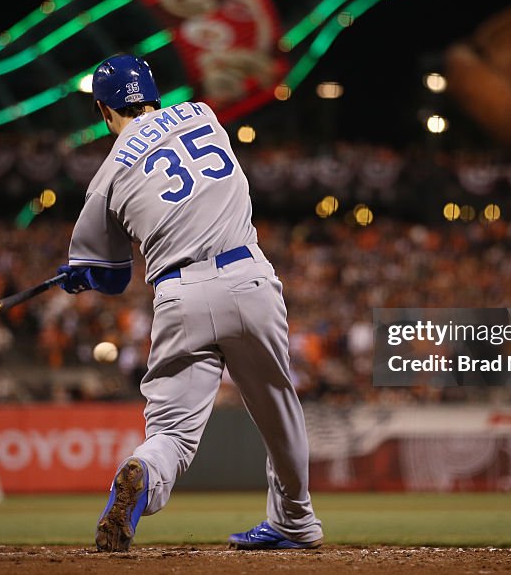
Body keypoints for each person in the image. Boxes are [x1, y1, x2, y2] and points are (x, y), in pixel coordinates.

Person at [57, 53, 323, 552]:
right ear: (154, 94)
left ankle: (145, 469)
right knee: (277, 407)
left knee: (173, 433)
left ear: (102, 109)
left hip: (180, 296)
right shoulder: (203, 115)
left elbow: (112, 279)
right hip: (249, 276)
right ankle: (295, 520)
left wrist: (80, 275)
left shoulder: (106, 178)